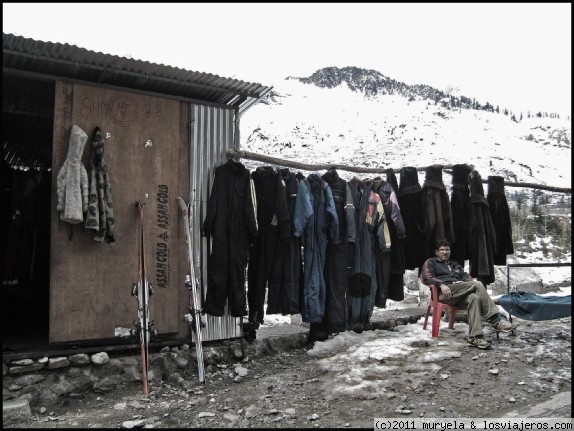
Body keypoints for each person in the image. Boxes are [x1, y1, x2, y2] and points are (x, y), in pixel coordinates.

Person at [420, 239, 517, 349]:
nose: (445, 252)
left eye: (447, 249)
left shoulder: (454, 265)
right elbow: (426, 277)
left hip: (459, 292)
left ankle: (475, 337)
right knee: (478, 284)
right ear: (436, 252)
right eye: (442, 250)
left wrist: (463, 282)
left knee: (474, 297)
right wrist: (441, 284)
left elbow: (467, 277)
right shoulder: (431, 262)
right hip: (442, 295)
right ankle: (495, 319)